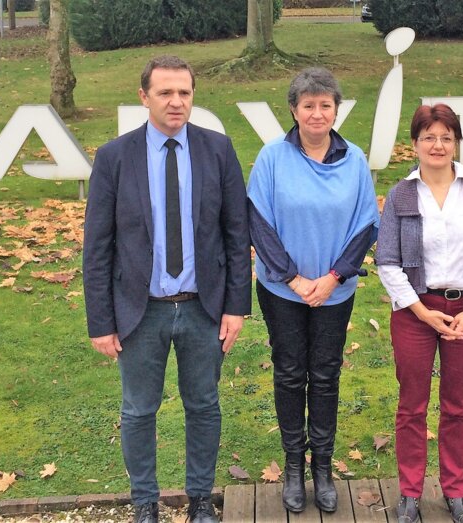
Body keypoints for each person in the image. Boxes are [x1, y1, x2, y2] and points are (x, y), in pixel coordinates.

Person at [82, 55, 251, 523]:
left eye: (184, 93)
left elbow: (237, 234)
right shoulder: (115, 157)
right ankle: (144, 504)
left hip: (204, 309)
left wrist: (237, 306)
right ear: (144, 97)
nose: (176, 102)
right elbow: (97, 247)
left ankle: (200, 499)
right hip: (140, 312)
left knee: (204, 405)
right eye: (165, 93)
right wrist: (101, 321)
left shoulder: (219, 149)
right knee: (138, 411)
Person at [246, 67, 379, 514]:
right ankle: (293, 468)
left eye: (326, 105)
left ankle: (321, 467)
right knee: (288, 373)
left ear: (336, 110)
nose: (317, 113)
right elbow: (258, 223)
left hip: (334, 293)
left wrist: (333, 277)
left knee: (324, 376)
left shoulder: (355, 160)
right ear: (294, 109)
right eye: (309, 105)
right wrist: (294, 278)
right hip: (283, 291)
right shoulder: (271, 158)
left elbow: (366, 225)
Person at [376, 104, 463, 523]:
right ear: (414, 144)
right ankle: (410, 494)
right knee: (412, 405)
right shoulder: (400, 195)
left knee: (456, 405)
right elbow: (388, 262)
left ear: (456, 143)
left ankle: (455, 491)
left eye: (446, 137)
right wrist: (421, 310)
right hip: (416, 311)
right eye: (429, 137)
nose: (438, 145)